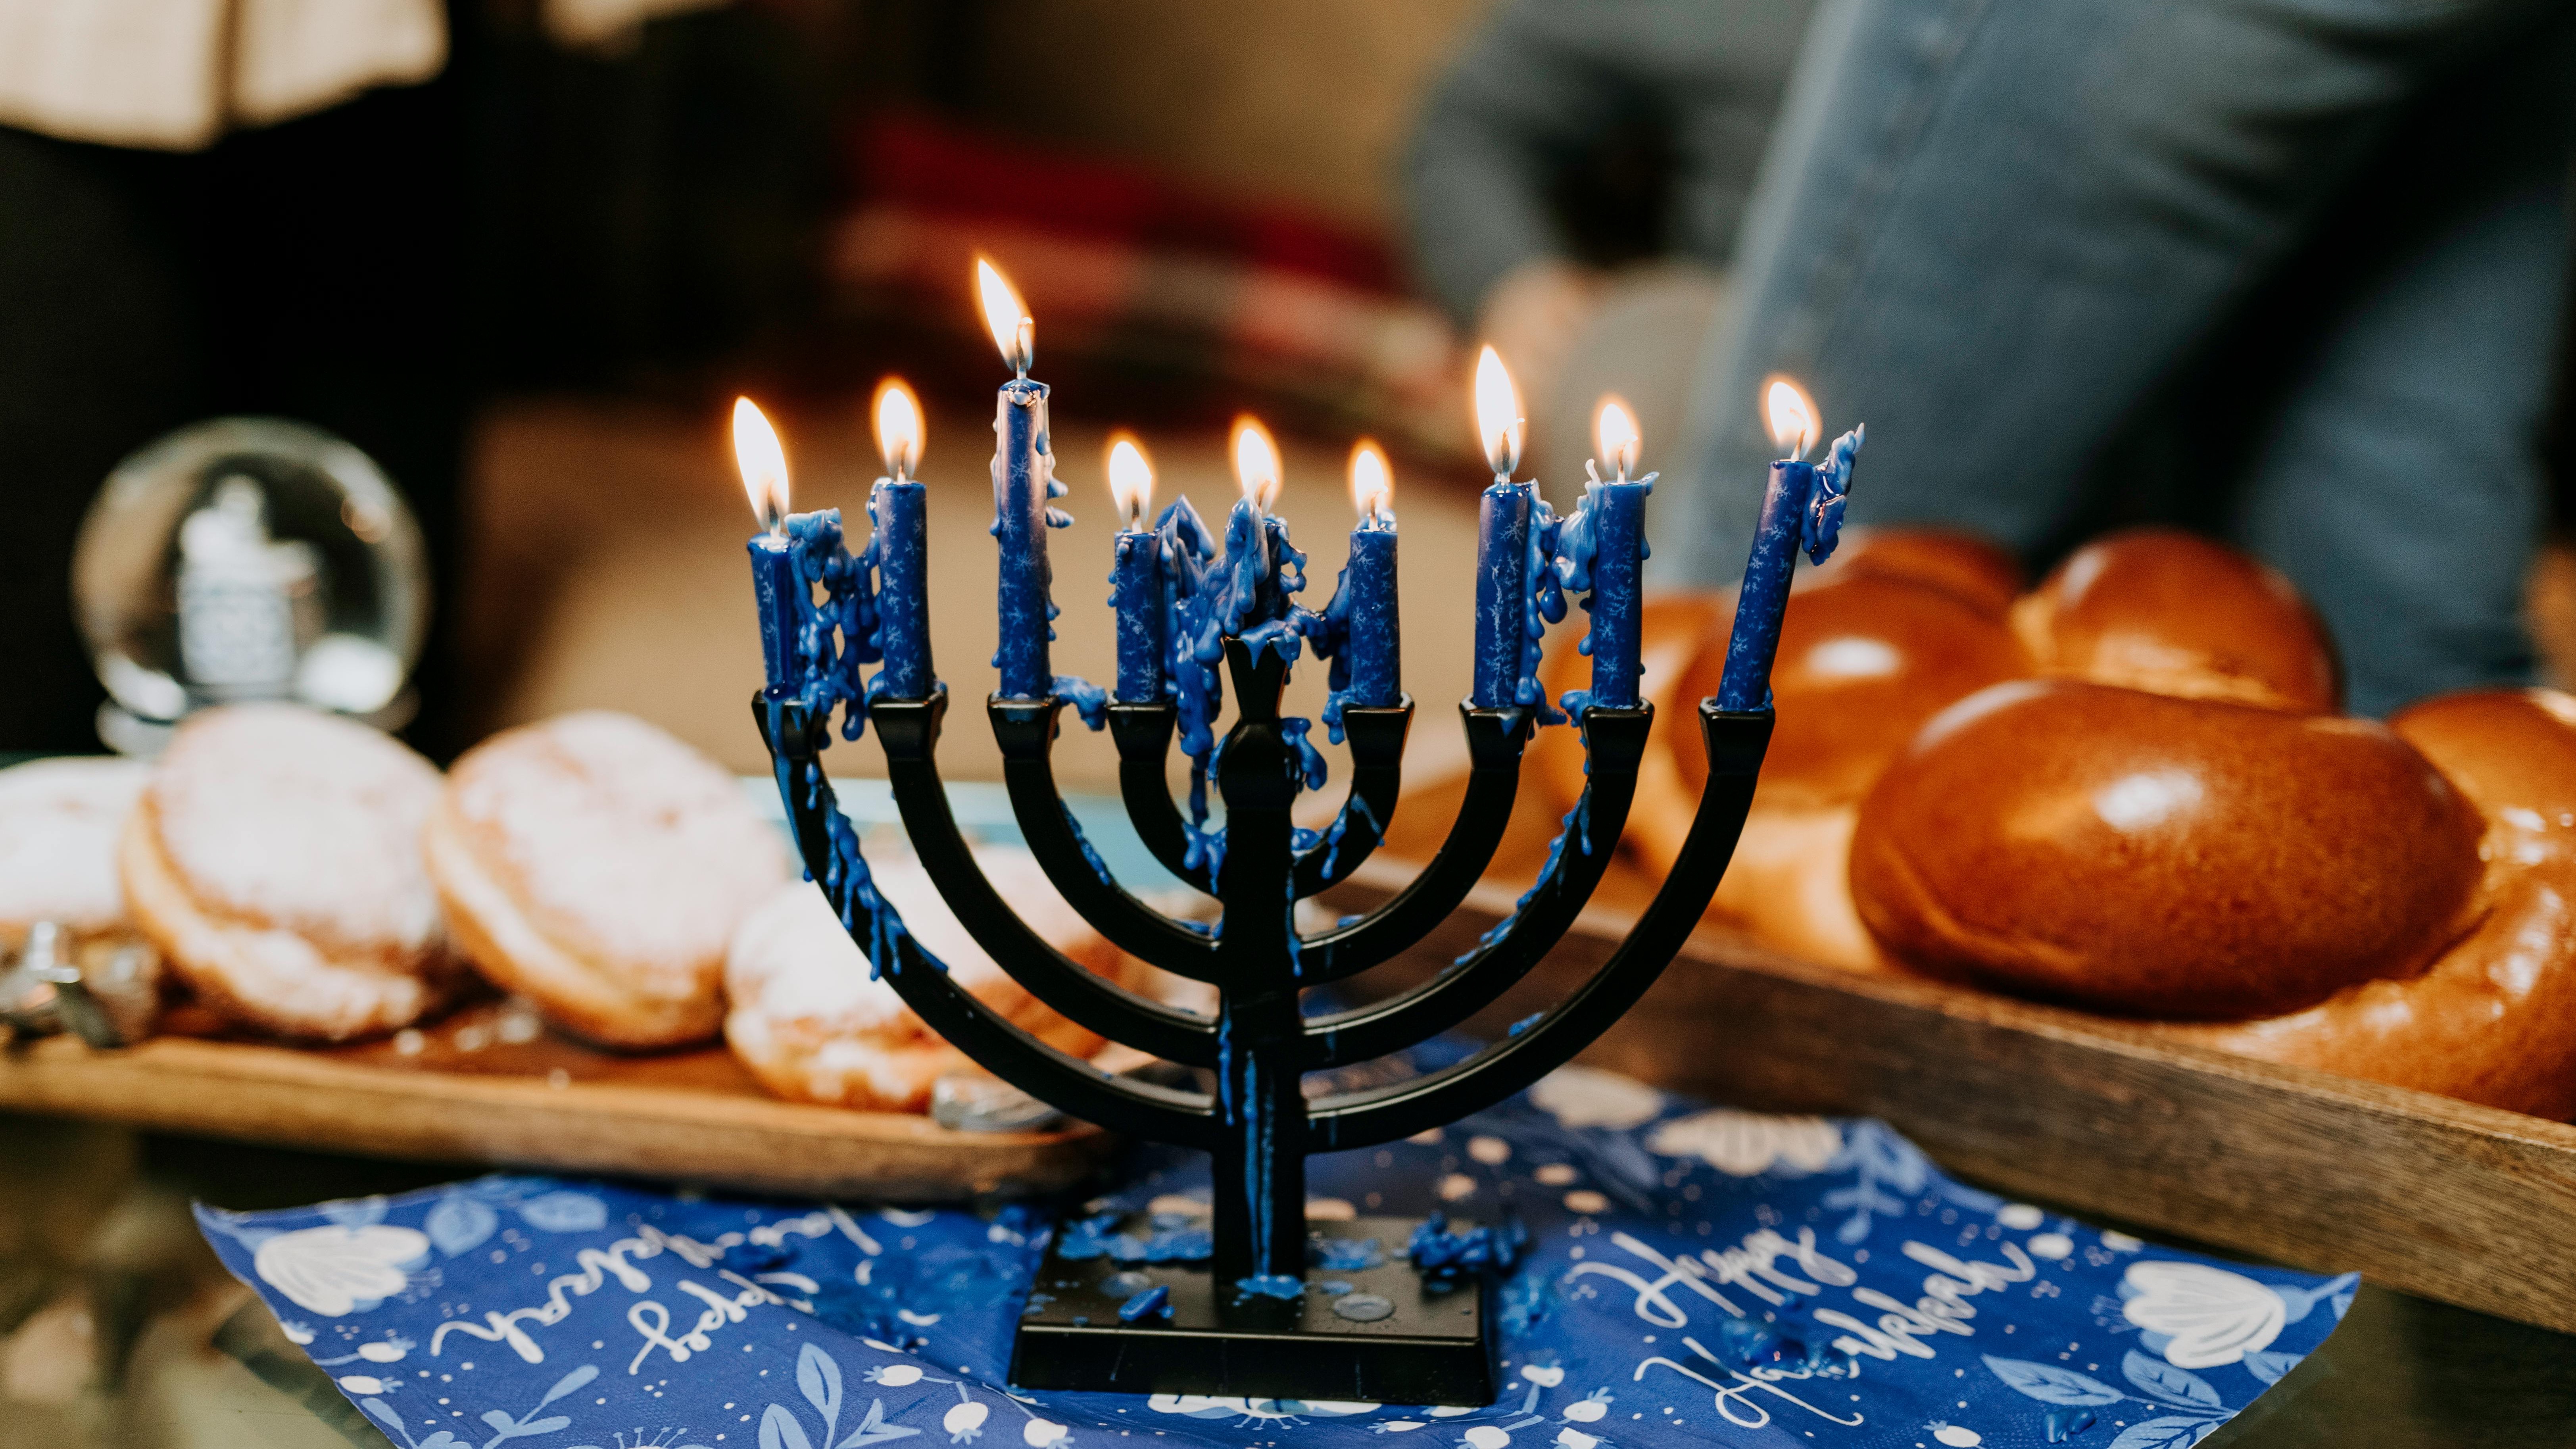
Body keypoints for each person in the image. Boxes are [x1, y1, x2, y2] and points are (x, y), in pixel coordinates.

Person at [1408, 0, 2575, 717]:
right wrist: (1514, 279)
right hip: (1748, 329)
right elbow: (1472, 124)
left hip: (2161, 381)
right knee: (2400, 680)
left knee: (1754, 661)